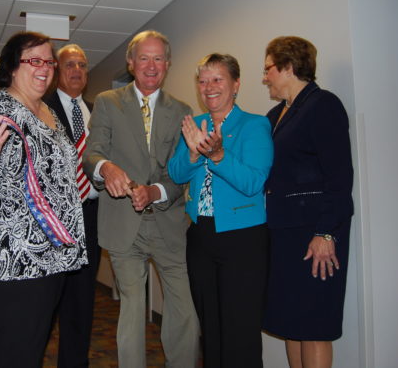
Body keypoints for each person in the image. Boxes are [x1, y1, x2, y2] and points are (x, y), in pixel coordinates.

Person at [0, 31, 87, 368]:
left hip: (51, 255)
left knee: (31, 346)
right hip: (12, 256)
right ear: (12, 66)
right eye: (34, 60)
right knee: (14, 349)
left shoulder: (48, 112)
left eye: (48, 62)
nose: (44, 68)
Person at [83, 30, 199, 367]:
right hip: (123, 224)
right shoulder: (107, 102)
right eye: (144, 58)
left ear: (168, 64)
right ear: (131, 63)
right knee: (132, 306)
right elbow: (93, 153)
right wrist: (107, 169)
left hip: (169, 224)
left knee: (183, 310)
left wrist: (155, 192)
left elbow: (181, 170)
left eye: (158, 58)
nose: (151, 65)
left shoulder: (182, 110)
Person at [168, 53, 273, 367]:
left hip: (243, 239)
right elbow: (176, 174)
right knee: (210, 329)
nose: (209, 87)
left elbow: (253, 181)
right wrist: (191, 152)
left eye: (217, 79)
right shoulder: (194, 125)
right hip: (201, 237)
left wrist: (217, 155)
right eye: (203, 81)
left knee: (240, 329)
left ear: (236, 84)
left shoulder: (254, 125)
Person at [261, 36, 353, 368]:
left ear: (288, 66)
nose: (265, 76)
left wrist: (326, 233)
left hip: (315, 233)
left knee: (314, 326)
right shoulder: (274, 116)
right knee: (291, 324)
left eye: (269, 68)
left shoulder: (323, 104)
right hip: (283, 233)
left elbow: (340, 178)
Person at [43, 44, 100, 367]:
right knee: (45, 302)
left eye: (82, 64)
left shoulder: (99, 111)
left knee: (81, 303)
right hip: (52, 220)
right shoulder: (41, 108)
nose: (76, 70)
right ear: (56, 70)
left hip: (91, 218)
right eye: (69, 64)